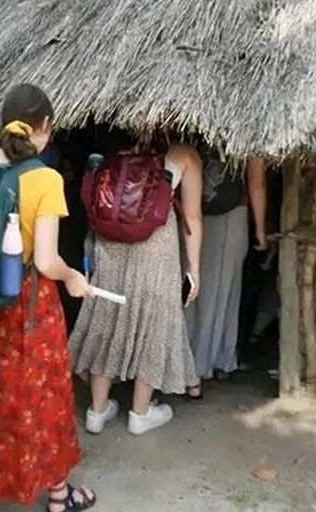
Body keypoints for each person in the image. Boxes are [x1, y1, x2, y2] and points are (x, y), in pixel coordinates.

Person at [0, 84, 97, 512]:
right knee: (40, 396)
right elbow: (49, 260)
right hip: (27, 307)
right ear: (46, 127)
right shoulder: (46, 179)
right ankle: (57, 496)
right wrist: (74, 278)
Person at [69, 140, 203, 435]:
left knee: (106, 318)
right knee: (152, 322)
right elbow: (192, 218)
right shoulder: (185, 154)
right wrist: (193, 268)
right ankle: (140, 414)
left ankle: (97, 410)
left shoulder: (119, 151)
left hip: (110, 244)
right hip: (155, 247)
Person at [185, 153, 266, 390]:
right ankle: (203, 368)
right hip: (230, 217)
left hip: (192, 215)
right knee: (221, 294)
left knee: (191, 293)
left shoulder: (192, 125)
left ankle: (188, 362)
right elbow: (257, 184)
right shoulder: (252, 132)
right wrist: (260, 230)